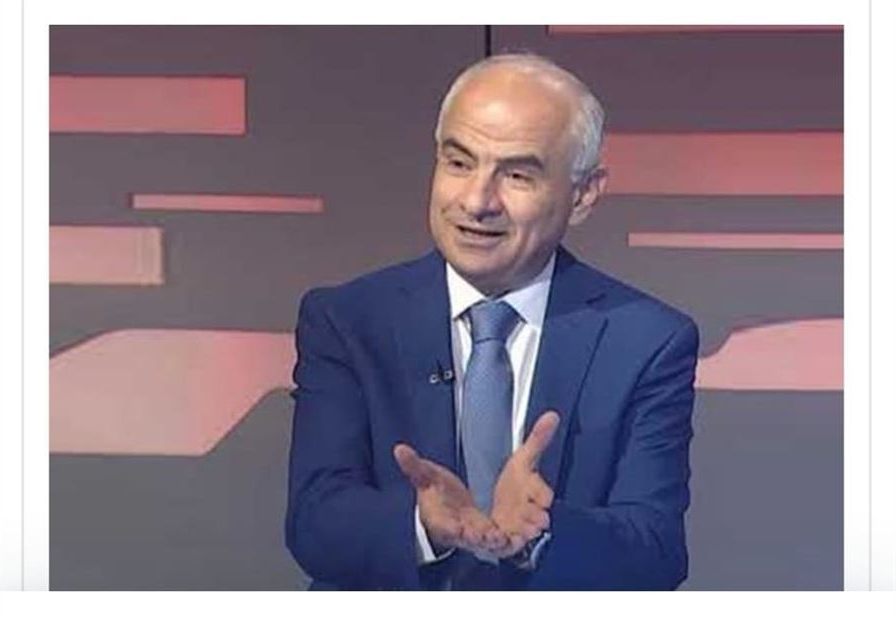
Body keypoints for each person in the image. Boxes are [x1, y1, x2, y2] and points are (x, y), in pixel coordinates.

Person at [284, 52, 699, 590]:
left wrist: (540, 533)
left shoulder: (646, 341)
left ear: (583, 195)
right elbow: (315, 522)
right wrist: (424, 526)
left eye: (517, 175)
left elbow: (656, 549)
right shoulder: (347, 321)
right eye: (459, 164)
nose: (477, 201)